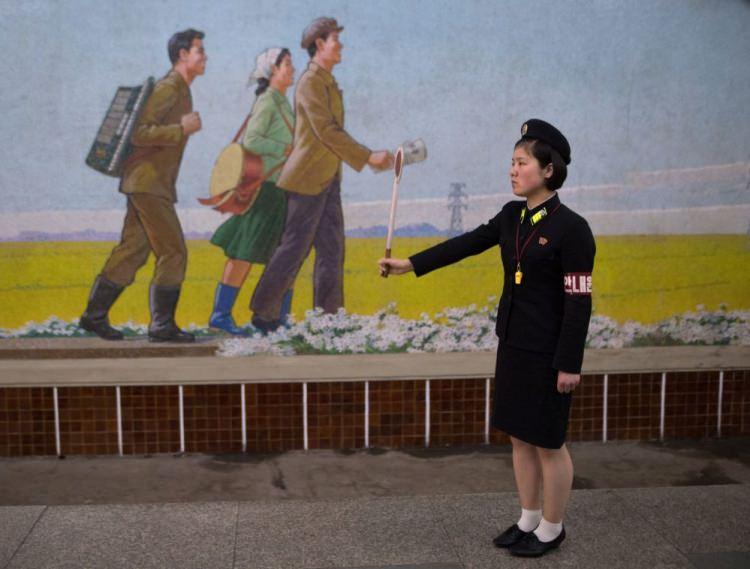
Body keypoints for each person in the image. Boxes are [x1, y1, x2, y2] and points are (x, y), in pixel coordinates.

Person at [379, 119, 595, 558]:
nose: (513, 170)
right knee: (519, 436)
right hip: (513, 344)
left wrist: (569, 363)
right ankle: (529, 518)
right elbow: (465, 244)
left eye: (522, 162)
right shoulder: (512, 216)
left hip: (550, 352)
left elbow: (578, 302)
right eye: (512, 162)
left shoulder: (573, 229)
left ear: (548, 170)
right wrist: (410, 265)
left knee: (549, 443)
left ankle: (552, 528)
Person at [249, 17, 394, 333]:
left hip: (327, 179)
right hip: (305, 180)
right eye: (335, 40)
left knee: (332, 251)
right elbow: (326, 131)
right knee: (293, 249)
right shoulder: (310, 82)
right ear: (319, 44)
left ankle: (329, 320)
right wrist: (367, 156)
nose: (340, 45)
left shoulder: (326, 81)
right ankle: (263, 312)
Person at [79, 28, 207, 343]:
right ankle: (162, 326)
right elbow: (139, 132)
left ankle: (93, 316)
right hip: (148, 184)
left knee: (133, 251)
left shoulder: (180, 89)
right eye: (200, 51)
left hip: (146, 183)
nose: (205, 57)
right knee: (173, 251)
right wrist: (180, 129)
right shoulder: (168, 88)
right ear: (183, 55)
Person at [207, 47, 296, 335]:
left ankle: (278, 318)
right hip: (265, 190)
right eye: (287, 64)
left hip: (279, 188)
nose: (292, 69)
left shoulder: (281, 101)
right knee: (244, 253)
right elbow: (253, 140)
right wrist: (283, 148)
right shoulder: (268, 100)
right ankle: (221, 315)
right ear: (273, 70)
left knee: (282, 255)